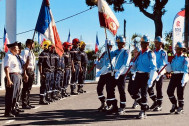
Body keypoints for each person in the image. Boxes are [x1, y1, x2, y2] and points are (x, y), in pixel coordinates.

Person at [131, 35, 157, 119]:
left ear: (148, 44)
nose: (143, 44)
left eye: (145, 43)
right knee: (133, 91)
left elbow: (154, 67)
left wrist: (151, 79)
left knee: (144, 93)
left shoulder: (150, 53)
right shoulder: (139, 53)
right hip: (138, 74)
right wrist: (132, 65)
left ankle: (143, 112)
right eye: (142, 43)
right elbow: (136, 66)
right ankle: (143, 104)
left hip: (146, 75)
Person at [108, 36, 131, 115]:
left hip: (121, 73)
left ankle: (122, 107)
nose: (118, 44)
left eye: (120, 43)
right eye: (117, 43)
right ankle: (114, 105)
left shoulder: (126, 51)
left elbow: (126, 63)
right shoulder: (116, 51)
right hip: (115, 72)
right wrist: (107, 46)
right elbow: (109, 54)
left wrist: (119, 72)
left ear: (124, 43)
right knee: (110, 88)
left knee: (121, 90)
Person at [4, 42, 27, 117]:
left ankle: (13, 109)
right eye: (15, 49)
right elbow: (6, 68)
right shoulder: (8, 56)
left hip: (18, 76)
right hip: (12, 76)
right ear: (11, 49)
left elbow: (23, 66)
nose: (17, 50)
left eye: (17, 49)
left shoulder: (17, 57)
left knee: (16, 95)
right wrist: (8, 79)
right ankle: (7, 112)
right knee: (10, 95)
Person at [166, 42, 189, 114]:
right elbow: (171, 69)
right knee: (169, 91)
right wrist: (168, 66)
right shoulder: (174, 58)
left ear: (182, 50)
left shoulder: (185, 58)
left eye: (179, 49)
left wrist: (184, 78)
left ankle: (181, 107)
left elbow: (186, 69)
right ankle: (174, 104)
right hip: (174, 75)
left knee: (180, 92)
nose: (177, 50)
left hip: (182, 75)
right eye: (176, 49)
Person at [148, 36, 168, 111]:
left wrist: (159, 73)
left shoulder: (163, 52)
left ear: (161, 43)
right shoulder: (153, 51)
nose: (156, 44)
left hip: (160, 71)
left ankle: (159, 105)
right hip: (153, 71)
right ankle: (155, 101)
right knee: (149, 87)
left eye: (157, 43)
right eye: (155, 42)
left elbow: (163, 63)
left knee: (158, 88)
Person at [95, 40, 114, 111]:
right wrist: (97, 63)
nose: (110, 47)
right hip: (103, 74)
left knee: (109, 90)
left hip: (109, 74)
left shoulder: (112, 54)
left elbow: (108, 65)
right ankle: (103, 102)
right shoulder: (103, 54)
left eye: (111, 46)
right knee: (99, 89)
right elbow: (101, 65)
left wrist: (100, 71)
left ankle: (109, 105)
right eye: (108, 46)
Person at [21, 39, 36, 109]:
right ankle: (24, 103)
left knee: (29, 88)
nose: (34, 45)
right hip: (27, 71)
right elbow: (23, 63)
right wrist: (24, 73)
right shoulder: (25, 52)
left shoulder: (31, 52)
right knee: (25, 88)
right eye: (33, 44)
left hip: (31, 71)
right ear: (29, 44)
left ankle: (28, 102)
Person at [38, 40, 52, 105]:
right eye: (49, 46)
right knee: (43, 86)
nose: (50, 48)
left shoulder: (49, 54)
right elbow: (40, 64)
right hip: (45, 72)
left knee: (47, 85)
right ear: (46, 46)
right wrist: (41, 74)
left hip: (49, 72)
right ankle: (41, 99)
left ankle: (45, 98)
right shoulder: (42, 54)